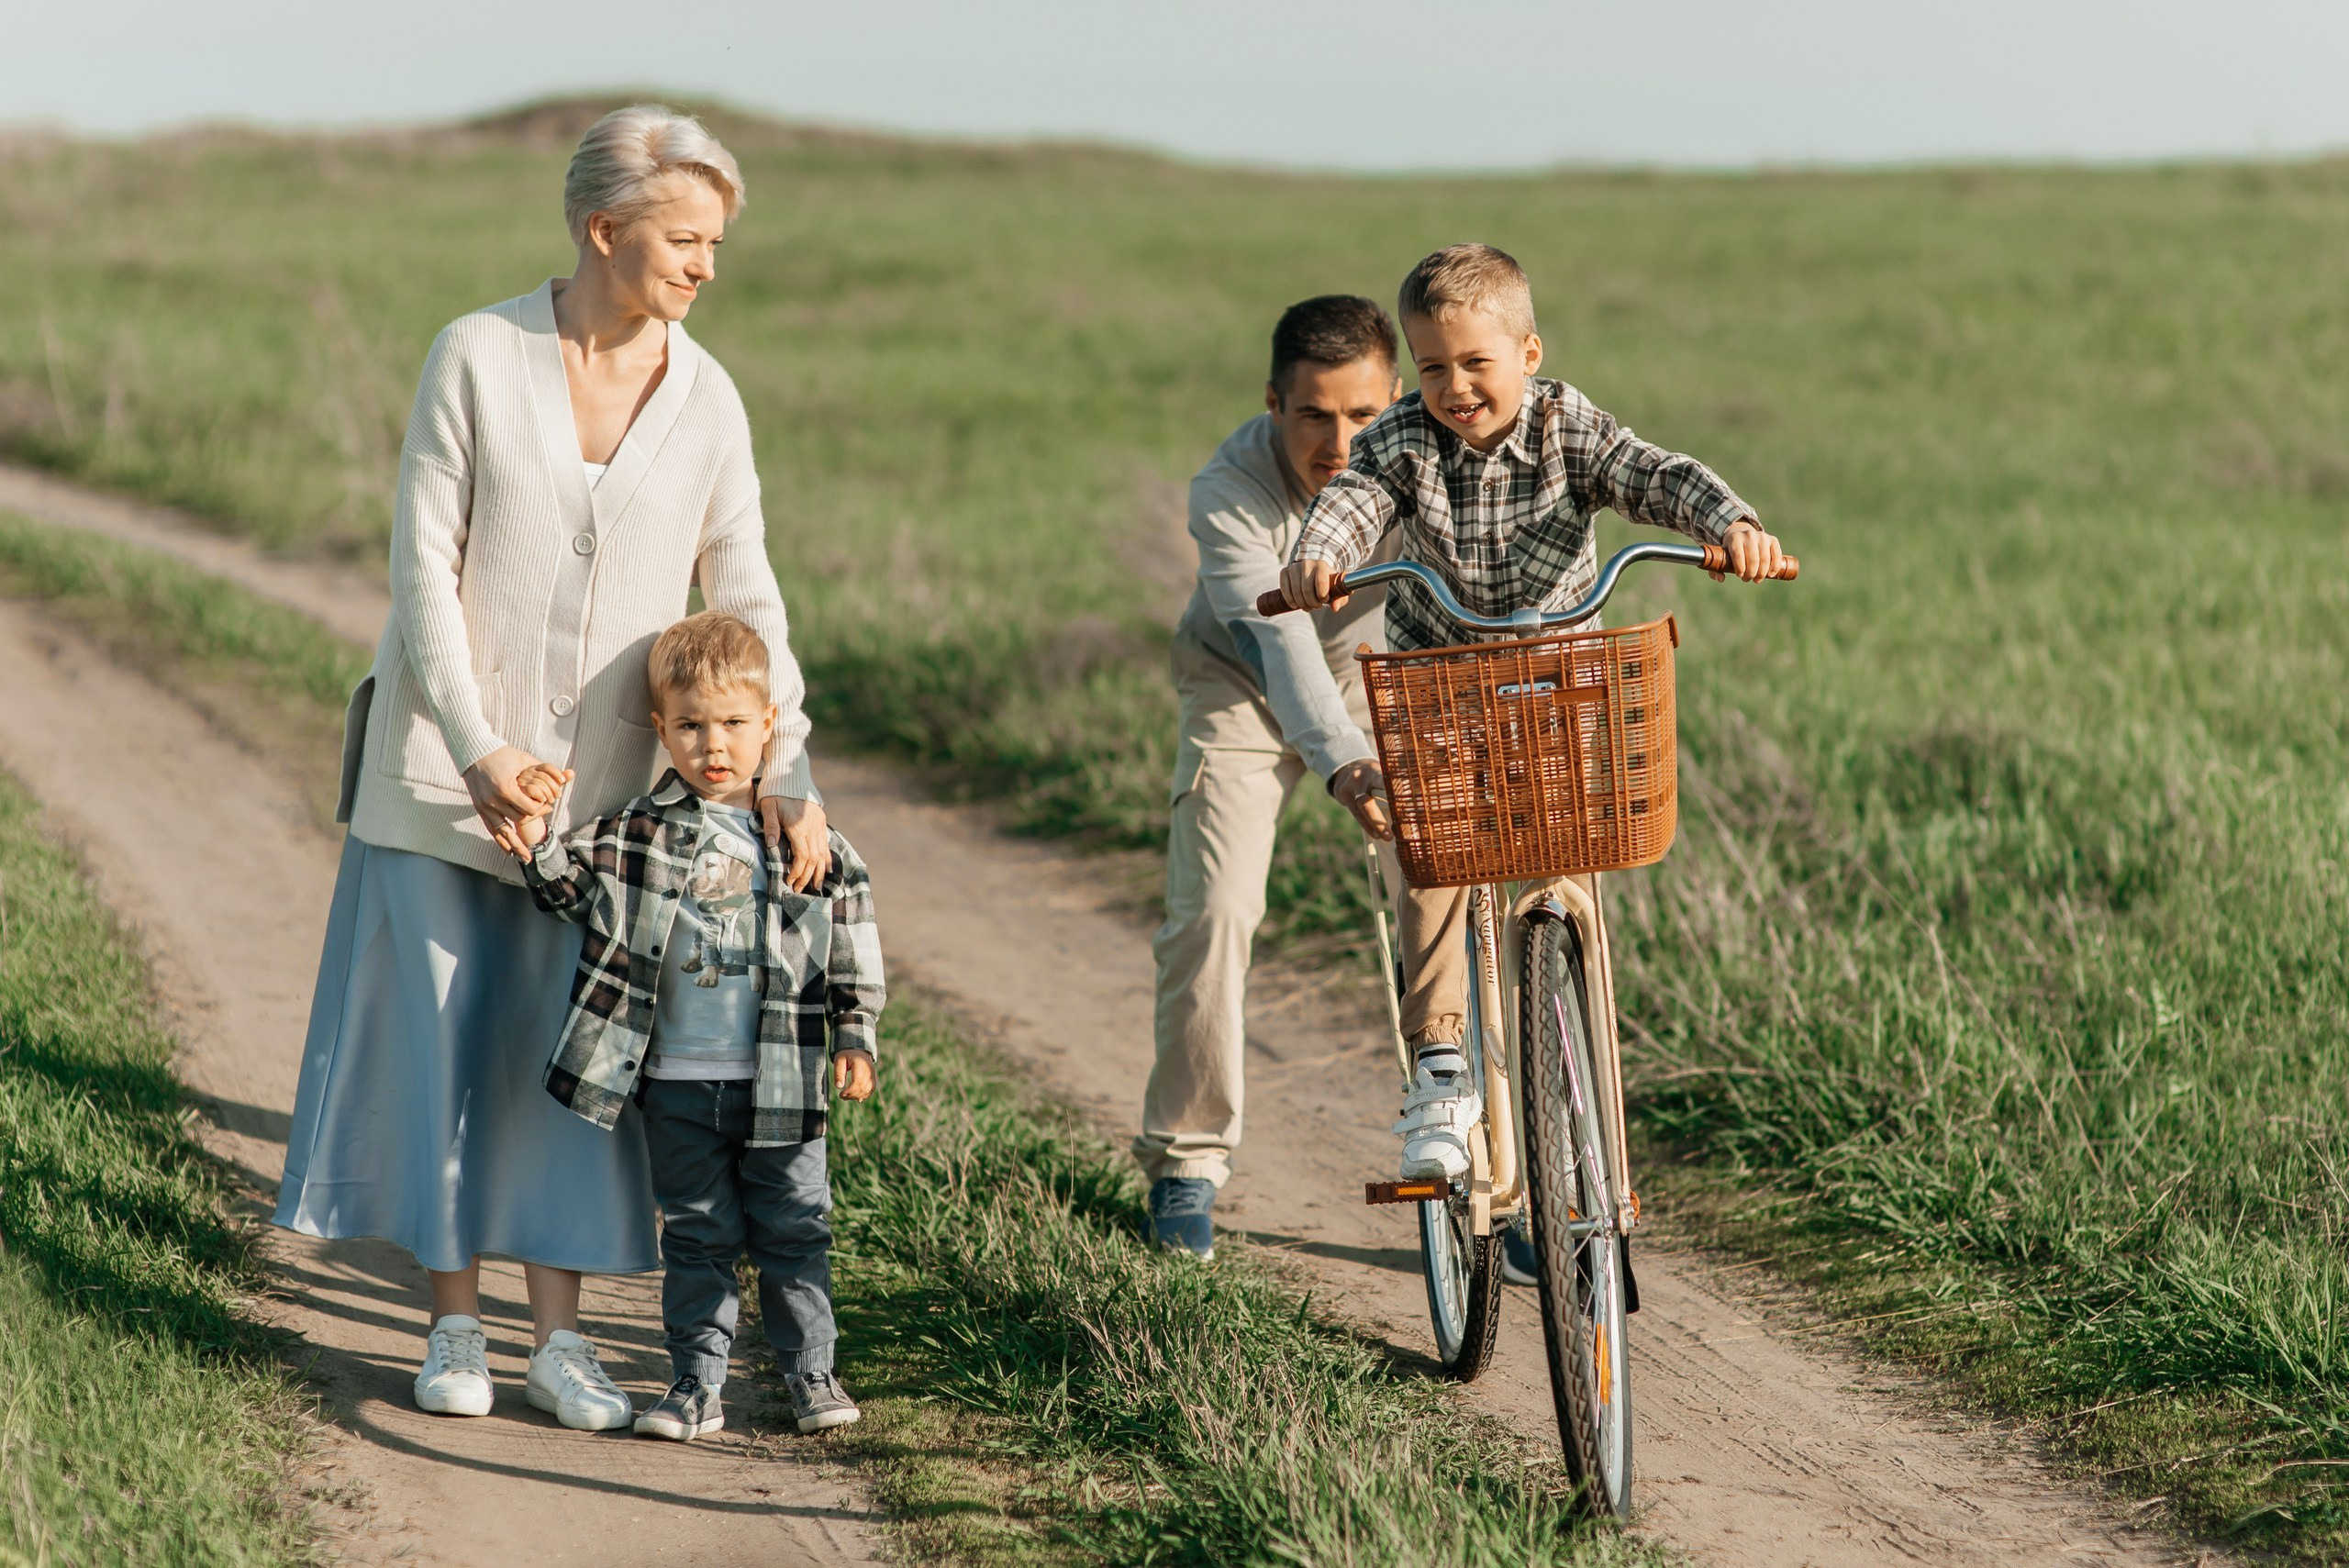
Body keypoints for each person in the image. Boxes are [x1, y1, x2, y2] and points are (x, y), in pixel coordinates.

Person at [273, 105, 833, 1430]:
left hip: (610, 815)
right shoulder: (475, 352)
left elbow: (744, 589)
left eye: (714, 242)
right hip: (442, 779)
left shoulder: (709, 398)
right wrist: (477, 748)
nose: (705, 267)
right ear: (604, 229)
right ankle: (453, 1324)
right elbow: (426, 570)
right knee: (447, 1049)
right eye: (683, 238)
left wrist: (783, 765)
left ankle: (561, 1342)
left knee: (575, 1069)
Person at [1280, 243, 1788, 1184]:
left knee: (1567, 855)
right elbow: (1352, 500)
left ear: (1528, 352)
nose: (1454, 385)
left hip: (1559, 683)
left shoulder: (1568, 428)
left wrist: (1729, 525)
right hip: (1445, 683)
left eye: (1476, 362)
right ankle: (1439, 1064)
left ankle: (1577, 1079)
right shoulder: (1399, 439)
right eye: (1432, 366)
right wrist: (1318, 554)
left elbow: (1653, 472)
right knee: (1434, 853)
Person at [504, 612, 885, 1440]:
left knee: (793, 1228)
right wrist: (538, 844)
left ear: (769, 724)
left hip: (782, 1077)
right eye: (691, 726)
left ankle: (810, 1375)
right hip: (678, 1080)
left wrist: (855, 1033)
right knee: (698, 1235)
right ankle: (694, 1384)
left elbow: (850, 933)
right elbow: (574, 896)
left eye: (735, 724)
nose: (715, 744)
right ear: (661, 730)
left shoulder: (802, 834)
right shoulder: (636, 832)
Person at [1133, 295, 1404, 1259]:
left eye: (1365, 416)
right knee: (1213, 910)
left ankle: (1484, 1172)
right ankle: (1186, 1163)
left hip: (1380, 681)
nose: (1340, 444)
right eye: (1313, 415)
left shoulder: (1423, 462)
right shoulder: (1228, 490)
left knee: (1452, 899)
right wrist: (1343, 763)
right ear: (1273, 404)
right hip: (1243, 679)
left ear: (1396, 397)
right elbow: (1281, 642)